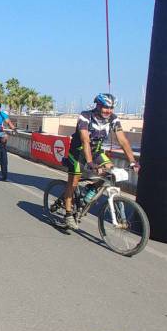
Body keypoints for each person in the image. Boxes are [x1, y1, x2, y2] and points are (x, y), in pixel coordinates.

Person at [62, 93, 140, 229]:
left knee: (111, 172)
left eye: (111, 108)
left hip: (97, 152)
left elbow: (122, 140)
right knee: (73, 183)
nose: (108, 111)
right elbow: (85, 141)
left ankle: (91, 189)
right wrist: (91, 163)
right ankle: (68, 214)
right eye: (105, 107)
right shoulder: (85, 116)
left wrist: (132, 161)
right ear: (97, 106)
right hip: (78, 152)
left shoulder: (113, 119)